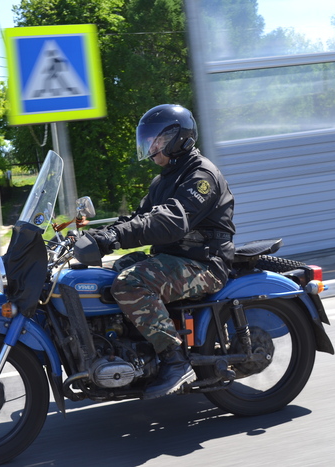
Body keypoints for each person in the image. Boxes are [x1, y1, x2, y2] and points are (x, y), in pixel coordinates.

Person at [90, 104, 235, 399]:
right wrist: (95, 236)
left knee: (131, 282)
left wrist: (116, 237)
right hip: (175, 259)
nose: (151, 147)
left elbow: (170, 221)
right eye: (148, 140)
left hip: (204, 263)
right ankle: (135, 353)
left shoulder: (201, 175)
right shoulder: (163, 180)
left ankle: (175, 361)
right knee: (109, 274)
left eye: (156, 140)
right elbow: (137, 217)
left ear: (178, 138)